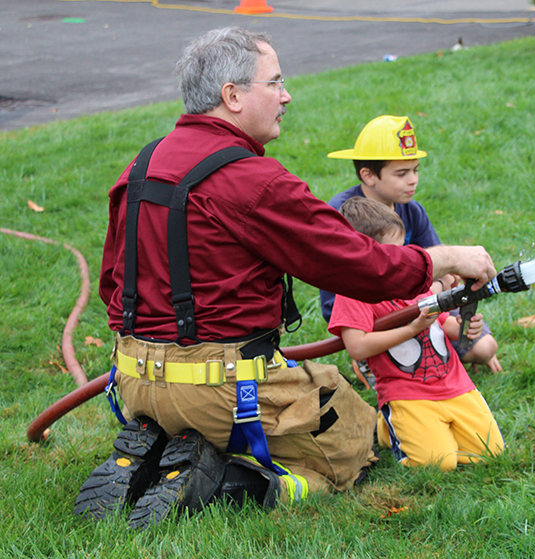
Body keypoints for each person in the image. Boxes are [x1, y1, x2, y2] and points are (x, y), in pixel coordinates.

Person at [74, 27, 497, 529]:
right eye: (274, 82)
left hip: (136, 382)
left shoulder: (139, 166)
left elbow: (110, 284)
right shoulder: (255, 181)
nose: (287, 95)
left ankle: (159, 449)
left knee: (278, 401)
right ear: (232, 96)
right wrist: (444, 259)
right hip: (224, 389)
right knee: (353, 440)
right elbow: (359, 264)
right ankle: (223, 483)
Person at [320, 115, 502, 380]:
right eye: (402, 173)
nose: (413, 180)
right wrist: (436, 289)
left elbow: (446, 272)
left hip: (418, 300)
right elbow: (339, 295)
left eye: (415, 170)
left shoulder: (412, 209)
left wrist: (442, 290)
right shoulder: (342, 214)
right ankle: (369, 358)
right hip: (369, 312)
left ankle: (436, 347)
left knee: (486, 347)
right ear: (368, 175)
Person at [328, 197, 504, 471]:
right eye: (390, 254)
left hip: (454, 384)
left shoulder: (411, 280)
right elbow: (357, 347)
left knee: (489, 453)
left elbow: (444, 325)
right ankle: (390, 425)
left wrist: (466, 327)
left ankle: (419, 428)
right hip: (406, 391)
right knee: (437, 464)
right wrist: (412, 329)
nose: (399, 262)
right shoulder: (353, 294)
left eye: (401, 252)